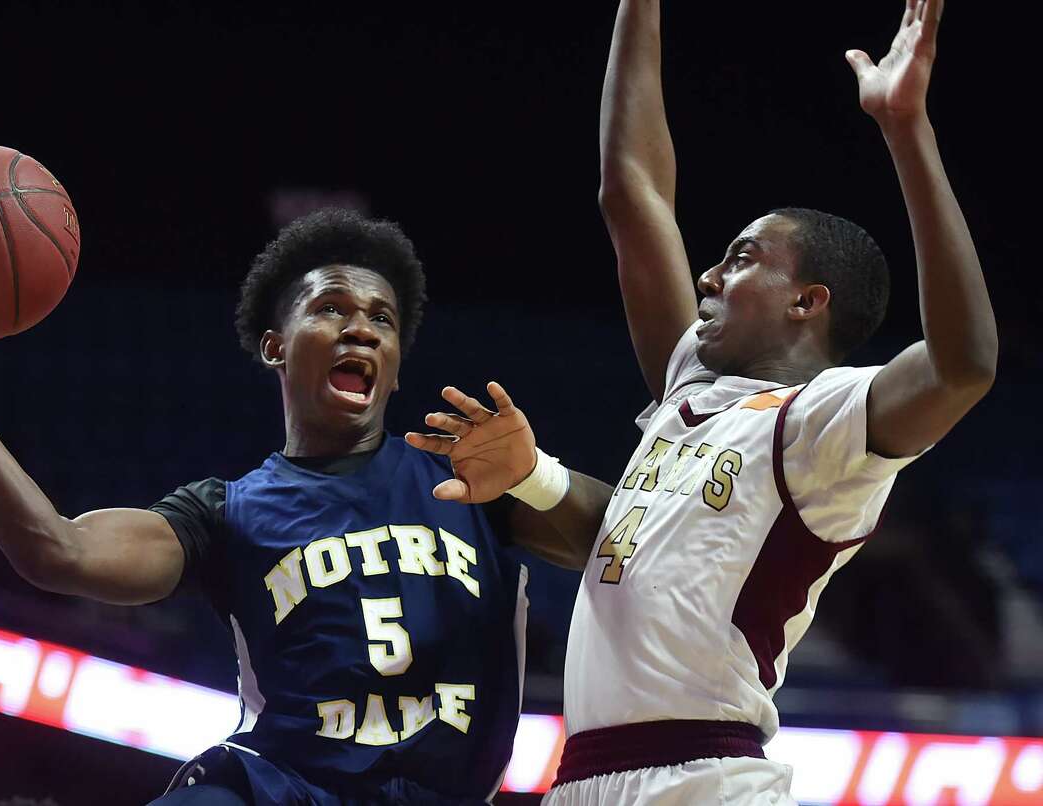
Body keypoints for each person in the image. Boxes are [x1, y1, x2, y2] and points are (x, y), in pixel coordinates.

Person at [406, 0, 997, 802]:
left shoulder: (819, 422)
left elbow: (964, 365)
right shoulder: (692, 382)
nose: (711, 277)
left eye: (742, 258)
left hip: (707, 776)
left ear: (807, 301)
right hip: (584, 777)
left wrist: (905, 130)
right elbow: (632, 189)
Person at [0, 207, 534, 805]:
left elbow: (613, 533)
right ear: (275, 345)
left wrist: (540, 474)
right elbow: (55, 549)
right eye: (330, 308)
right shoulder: (230, 512)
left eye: (381, 319)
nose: (359, 326)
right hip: (284, 789)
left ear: (393, 363)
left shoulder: (478, 481)